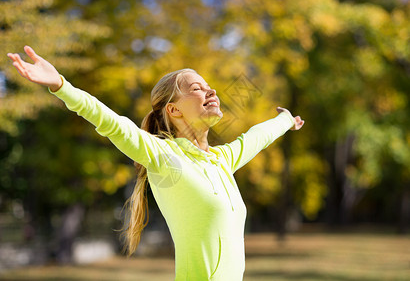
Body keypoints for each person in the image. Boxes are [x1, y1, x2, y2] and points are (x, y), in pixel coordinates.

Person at [8, 46, 304, 281]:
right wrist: (62, 85)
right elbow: (111, 122)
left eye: (209, 86)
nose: (211, 91)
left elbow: (256, 137)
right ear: (173, 109)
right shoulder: (164, 157)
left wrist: (285, 119)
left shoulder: (222, 160)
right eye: (197, 88)